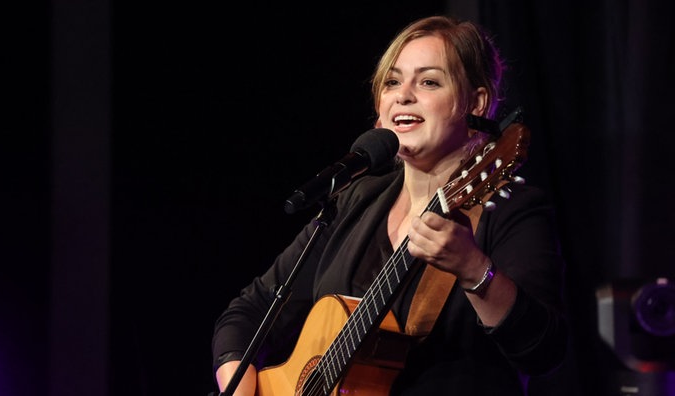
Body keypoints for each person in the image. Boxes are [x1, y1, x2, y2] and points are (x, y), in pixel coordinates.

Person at [211, 15, 568, 396]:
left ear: (476, 103)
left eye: (429, 82)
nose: (403, 95)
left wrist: (473, 269)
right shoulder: (356, 198)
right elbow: (251, 311)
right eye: (393, 82)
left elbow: (544, 351)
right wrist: (239, 384)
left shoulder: (510, 208)